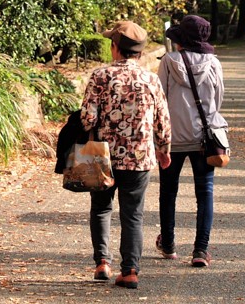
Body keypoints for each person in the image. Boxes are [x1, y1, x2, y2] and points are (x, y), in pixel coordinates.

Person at [81, 20, 171, 290]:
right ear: (141, 53)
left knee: (101, 208)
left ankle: (102, 264)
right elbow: (163, 121)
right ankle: (130, 270)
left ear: (115, 48)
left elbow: (87, 119)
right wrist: (164, 148)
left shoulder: (100, 76)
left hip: (102, 155)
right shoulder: (150, 79)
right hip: (140, 156)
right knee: (132, 214)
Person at [157, 15, 227, 269]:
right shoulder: (214, 63)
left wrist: (159, 137)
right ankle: (200, 250)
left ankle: (169, 244)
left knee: (168, 190)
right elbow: (218, 99)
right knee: (205, 192)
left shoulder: (168, 61)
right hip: (203, 139)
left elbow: (160, 99)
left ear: (181, 40)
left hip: (172, 138)